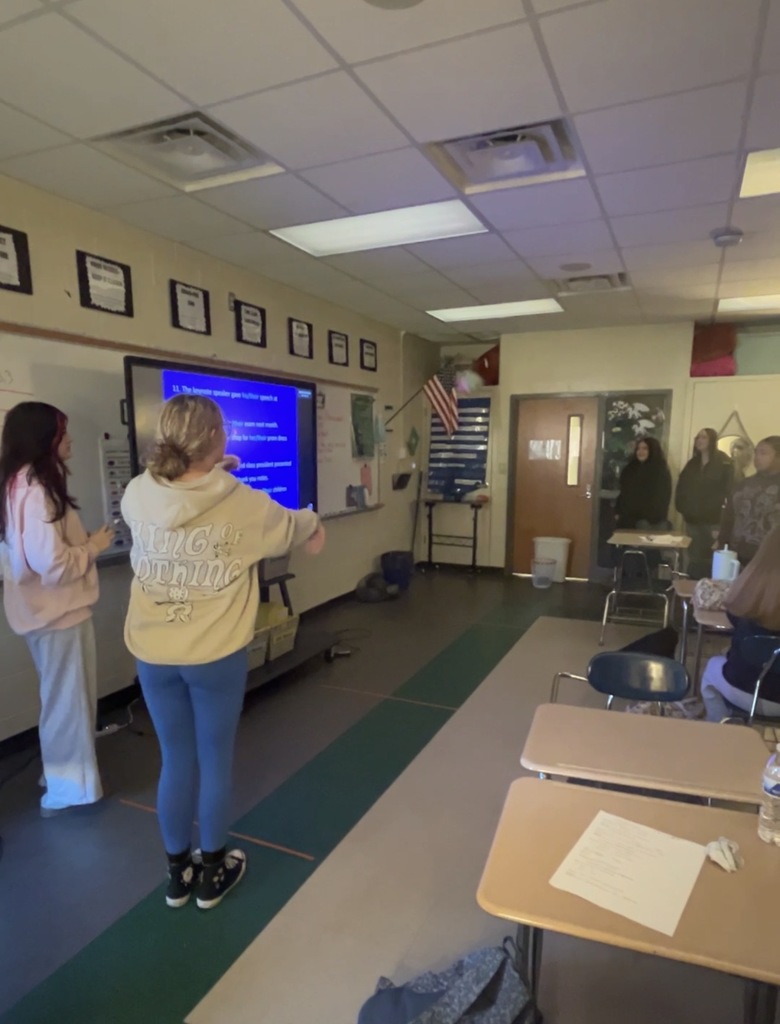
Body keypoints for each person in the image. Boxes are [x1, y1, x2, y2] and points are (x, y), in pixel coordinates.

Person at [122, 394, 325, 910]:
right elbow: (291, 527)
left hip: (153, 653)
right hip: (214, 655)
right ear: (215, 438)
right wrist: (314, 520)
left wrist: (213, 472)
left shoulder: (138, 492)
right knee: (214, 761)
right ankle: (214, 871)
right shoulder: (243, 502)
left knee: (175, 760)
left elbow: (183, 497)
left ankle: (178, 877)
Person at [0, 402, 114, 816]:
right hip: (59, 614)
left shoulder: (16, 483)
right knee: (69, 704)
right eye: (62, 433)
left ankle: (60, 777)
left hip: (41, 613)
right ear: (43, 438)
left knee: (61, 700)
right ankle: (68, 789)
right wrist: (93, 546)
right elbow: (53, 565)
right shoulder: (37, 490)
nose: (69, 440)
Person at [701, 525, 780, 722]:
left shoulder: (750, 591)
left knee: (712, 669)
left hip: (743, 688)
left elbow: (734, 614)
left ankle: (718, 728)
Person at [675, 427, 732, 578]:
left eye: (704, 437)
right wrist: (682, 507)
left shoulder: (724, 463)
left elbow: (730, 491)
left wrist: (723, 514)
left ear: (712, 440)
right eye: (698, 437)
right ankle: (693, 586)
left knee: (712, 556)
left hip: (714, 520)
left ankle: (708, 587)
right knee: (694, 556)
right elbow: (682, 487)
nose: (699, 440)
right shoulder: (692, 464)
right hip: (692, 519)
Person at [718, 436, 780, 566]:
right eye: (756, 452)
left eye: (763, 453)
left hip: (772, 561)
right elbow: (728, 518)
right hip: (738, 556)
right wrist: (722, 545)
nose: (757, 457)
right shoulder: (743, 485)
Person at [615, 436, 672, 530]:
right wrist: (618, 511)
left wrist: (647, 517)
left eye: (645, 448)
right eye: (638, 448)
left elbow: (662, 497)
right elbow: (624, 493)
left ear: (653, 450)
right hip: (627, 520)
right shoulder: (630, 470)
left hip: (650, 522)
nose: (640, 451)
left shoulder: (660, 471)